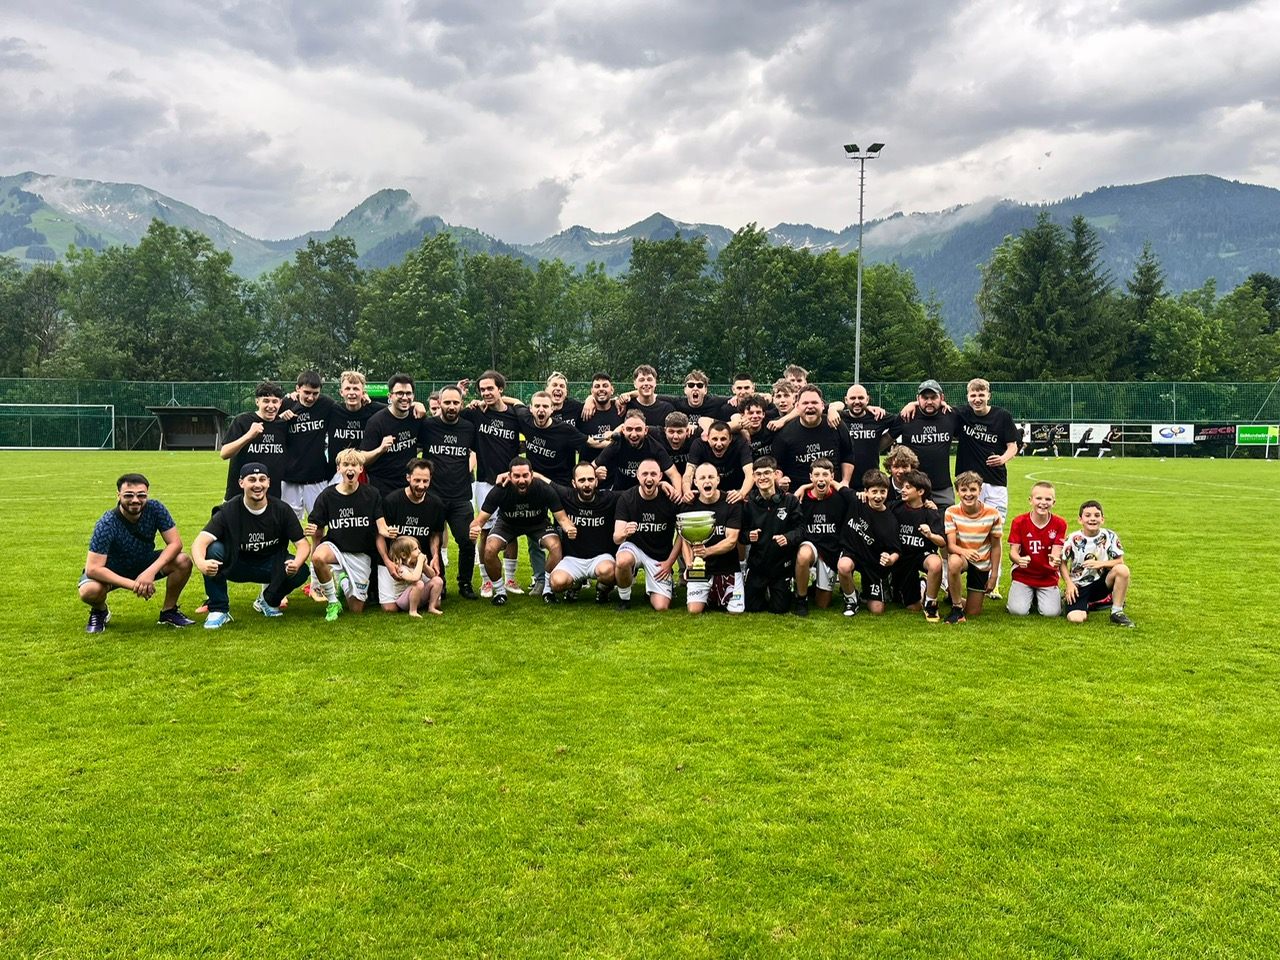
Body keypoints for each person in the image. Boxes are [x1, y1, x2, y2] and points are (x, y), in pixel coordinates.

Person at [191, 462, 311, 629]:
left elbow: (303, 544)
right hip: (236, 564)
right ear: (241, 483)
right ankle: (219, 609)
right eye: (252, 479)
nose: (257, 484)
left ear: (268, 482)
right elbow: (200, 541)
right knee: (213, 550)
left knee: (301, 570)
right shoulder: (229, 510)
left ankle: (268, 601)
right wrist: (201, 564)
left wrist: (296, 563)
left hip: (270, 566)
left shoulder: (282, 510)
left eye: (262, 479)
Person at [79, 472, 195, 632]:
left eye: (141, 495)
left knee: (183, 561)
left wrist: (150, 572)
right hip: (112, 569)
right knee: (89, 591)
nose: (135, 500)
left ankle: (169, 611)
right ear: (118, 495)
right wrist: (135, 585)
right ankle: (99, 611)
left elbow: (175, 543)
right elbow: (93, 568)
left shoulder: (155, 509)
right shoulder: (106, 524)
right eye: (128, 495)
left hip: (144, 562)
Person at [469, 458, 574, 606]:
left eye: (525, 475)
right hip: (507, 524)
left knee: (556, 546)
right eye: (517, 476)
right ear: (510, 476)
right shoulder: (500, 489)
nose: (521, 480)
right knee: (489, 549)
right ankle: (500, 592)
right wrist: (474, 529)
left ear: (532, 475)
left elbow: (562, 518)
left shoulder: (543, 488)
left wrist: (570, 527)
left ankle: (548, 591)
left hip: (538, 524)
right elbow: (479, 520)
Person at [305, 448, 386, 622]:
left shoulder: (371, 494)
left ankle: (343, 581)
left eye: (354, 465)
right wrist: (312, 533)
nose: (350, 468)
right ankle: (333, 602)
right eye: (346, 464)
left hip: (360, 553)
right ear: (339, 469)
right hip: (336, 547)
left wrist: (390, 531)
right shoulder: (328, 495)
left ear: (360, 469)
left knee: (356, 609)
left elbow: (382, 526)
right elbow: (316, 529)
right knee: (319, 557)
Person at [464, 370, 525, 597]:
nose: (486, 393)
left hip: (511, 482)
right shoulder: (477, 413)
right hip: (485, 482)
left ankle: (510, 579)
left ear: (501, 389)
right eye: (482, 390)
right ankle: (486, 581)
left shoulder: (515, 415)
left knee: (511, 530)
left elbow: (521, 404)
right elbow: (449, 412)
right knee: (485, 531)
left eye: (490, 388)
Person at [418, 385, 478, 598]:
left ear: (461, 404)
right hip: (433, 495)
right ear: (439, 403)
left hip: (461, 496)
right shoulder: (427, 426)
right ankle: (439, 583)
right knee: (430, 541)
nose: (451, 407)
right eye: (447, 402)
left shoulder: (469, 427)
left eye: (455, 403)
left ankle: (465, 583)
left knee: (467, 541)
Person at [612, 458, 682, 611]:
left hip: (659, 556)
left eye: (653, 474)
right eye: (644, 474)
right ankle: (625, 598)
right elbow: (616, 538)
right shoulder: (627, 498)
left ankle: (653, 590)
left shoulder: (670, 498)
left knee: (661, 607)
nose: (648, 478)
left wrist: (670, 562)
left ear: (660, 476)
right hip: (634, 548)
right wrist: (624, 532)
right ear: (637, 476)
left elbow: (682, 535)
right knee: (623, 560)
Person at [378, 460, 447, 612]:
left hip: (418, 560)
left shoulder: (436, 504)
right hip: (394, 561)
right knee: (390, 609)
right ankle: (411, 598)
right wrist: (387, 561)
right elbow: (379, 535)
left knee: (437, 602)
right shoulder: (391, 501)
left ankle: (416, 599)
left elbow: (436, 534)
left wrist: (435, 555)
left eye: (425, 481)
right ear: (408, 477)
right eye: (417, 480)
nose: (421, 485)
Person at [549, 462, 621, 602]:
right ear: (574, 483)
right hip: (572, 559)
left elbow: (636, 493)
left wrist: (661, 485)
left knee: (611, 572)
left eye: (590, 479)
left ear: (596, 481)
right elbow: (542, 481)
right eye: (581, 480)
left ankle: (603, 589)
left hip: (600, 558)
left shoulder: (608, 498)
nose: (586, 484)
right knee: (556, 583)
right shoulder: (566, 495)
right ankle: (574, 586)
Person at [835, 469, 902, 617]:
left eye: (882, 492)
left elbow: (896, 550)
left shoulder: (890, 520)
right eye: (874, 491)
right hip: (852, 552)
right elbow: (835, 484)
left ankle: (874, 588)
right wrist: (804, 488)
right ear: (866, 492)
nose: (878, 496)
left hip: (873, 563)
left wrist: (891, 559)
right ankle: (851, 600)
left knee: (877, 610)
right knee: (844, 566)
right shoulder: (856, 500)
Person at [741, 456, 803, 614]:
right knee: (751, 607)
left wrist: (788, 538)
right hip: (758, 566)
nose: (763, 477)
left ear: (776, 475)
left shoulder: (790, 501)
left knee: (779, 609)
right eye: (759, 474)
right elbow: (740, 534)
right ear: (753, 477)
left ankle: (783, 587)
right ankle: (758, 585)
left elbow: (801, 529)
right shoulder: (749, 504)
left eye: (767, 473)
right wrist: (748, 536)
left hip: (781, 567)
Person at [680, 463, 744, 614]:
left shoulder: (731, 503)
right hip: (701, 570)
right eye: (702, 478)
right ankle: (710, 595)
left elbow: (731, 541)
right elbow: (685, 540)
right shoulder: (689, 505)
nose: (707, 481)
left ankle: (725, 589)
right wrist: (690, 565)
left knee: (736, 611)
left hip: (727, 568)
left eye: (711, 477)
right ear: (695, 482)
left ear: (718, 480)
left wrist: (706, 552)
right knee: (694, 610)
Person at [887, 379, 960, 508]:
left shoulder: (951, 415)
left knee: (945, 525)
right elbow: (885, 440)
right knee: (912, 524)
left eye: (934, 397)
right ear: (918, 398)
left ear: (942, 398)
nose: (929, 401)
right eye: (925, 398)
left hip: (941, 487)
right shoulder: (906, 416)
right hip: (913, 487)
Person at [279, 370, 341, 520]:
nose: (310, 397)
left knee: (319, 523)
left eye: (315, 393)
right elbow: (266, 424)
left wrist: (365, 400)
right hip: (289, 477)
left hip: (317, 477)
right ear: (297, 388)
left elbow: (348, 411)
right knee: (285, 524)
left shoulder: (326, 404)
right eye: (306, 392)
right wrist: (280, 418)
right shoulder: (285, 404)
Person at [1062, 500, 1134, 627]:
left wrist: (1101, 564)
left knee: (1123, 570)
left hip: (1101, 581)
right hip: (1079, 586)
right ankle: (1095, 603)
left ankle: (1117, 612)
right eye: (1088, 515)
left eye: (1096, 515)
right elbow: (1062, 562)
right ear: (1080, 519)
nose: (1092, 519)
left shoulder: (1110, 536)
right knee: (1076, 619)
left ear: (1102, 519)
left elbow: (1119, 561)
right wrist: (1068, 584)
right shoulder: (1073, 538)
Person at [943, 471, 1002, 624]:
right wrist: (965, 552)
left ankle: (952, 594)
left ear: (980, 490)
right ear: (957, 492)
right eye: (963, 490)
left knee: (973, 612)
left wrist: (994, 576)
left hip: (981, 562)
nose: (968, 494)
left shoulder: (993, 513)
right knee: (954, 562)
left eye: (973, 490)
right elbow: (951, 546)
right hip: (962, 557)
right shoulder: (951, 512)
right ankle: (956, 607)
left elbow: (996, 546)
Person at [792, 458, 847, 616]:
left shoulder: (841, 497)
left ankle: (812, 580)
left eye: (825, 474)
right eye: (816, 475)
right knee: (803, 556)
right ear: (811, 477)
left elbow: (856, 498)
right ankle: (801, 599)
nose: (820, 479)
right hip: (811, 544)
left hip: (830, 549)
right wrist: (802, 488)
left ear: (832, 476)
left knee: (823, 604)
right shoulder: (803, 498)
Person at [771, 386, 854, 492]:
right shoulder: (785, 433)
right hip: (799, 494)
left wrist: (845, 481)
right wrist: (780, 481)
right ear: (797, 406)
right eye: (805, 403)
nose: (810, 406)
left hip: (832, 492)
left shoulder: (836, 425)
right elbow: (777, 464)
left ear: (823, 406)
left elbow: (848, 454)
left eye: (814, 402)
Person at [891, 470, 946, 621]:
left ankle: (931, 603)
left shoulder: (931, 512)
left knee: (935, 563)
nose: (903, 490)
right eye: (903, 486)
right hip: (902, 559)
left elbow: (942, 542)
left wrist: (930, 535)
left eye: (908, 487)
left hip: (922, 555)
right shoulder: (895, 508)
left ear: (920, 491)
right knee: (913, 607)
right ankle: (922, 586)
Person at [220, 381, 288, 500]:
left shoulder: (283, 425)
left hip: (271, 496)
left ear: (280, 403)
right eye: (266, 401)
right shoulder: (242, 421)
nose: (271, 406)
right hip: (238, 495)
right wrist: (249, 436)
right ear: (257, 401)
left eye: (275, 401)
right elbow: (224, 453)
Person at [1008, 481, 1067, 617]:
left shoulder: (1060, 523)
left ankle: (1049, 596)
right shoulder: (1019, 522)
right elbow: (1013, 552)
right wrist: (1019, 559)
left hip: (1047, 576)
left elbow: (1056, 551)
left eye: (1048, 499)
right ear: (1031, 500)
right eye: (1038, 498)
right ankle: (1028, 596)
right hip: (1023, 575)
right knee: (1017, 611)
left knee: (1051, 613)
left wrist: (1055, 560)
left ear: (1054, 502)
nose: (1043, 502)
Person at [361, 374, 423, 495]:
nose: (404, 397)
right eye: (399, 393)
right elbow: (362, 458)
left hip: (408, 485)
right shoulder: (376, 422)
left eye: (408, 393)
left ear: (413, 396)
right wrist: (380, 449)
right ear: (390, 396)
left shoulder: (416, 416)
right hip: (382, 487)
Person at [594, 409, 682, 494]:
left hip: (647, 493)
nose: (633, 434)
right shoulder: (617, 445)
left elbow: (674, 475)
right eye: (629, 429)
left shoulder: (655, 447)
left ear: (646, 430)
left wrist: (677, 497)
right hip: (621, 493)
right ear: (623, 430)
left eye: (638, 429)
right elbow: (592, 466)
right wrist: (595, 474)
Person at [325, 371, 385, 482]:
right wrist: (292, 396)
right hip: (336, 475)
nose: (351, 393)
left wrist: (415, 405)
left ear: (363, 392)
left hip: (365, 474)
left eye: (356, 389)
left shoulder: (375, 410)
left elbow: (396, 408)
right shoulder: (332, 410)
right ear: (341, 392)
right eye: (347, 389)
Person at [686, 420, 753, 503]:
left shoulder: (740, 443)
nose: (719, 444)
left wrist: (741, 493)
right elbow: (689, 473)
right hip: (707, 494)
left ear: (730, 439)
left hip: (734, 492)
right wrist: (687, 492)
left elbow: (750, 472)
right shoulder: (699, 445)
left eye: (723, 439)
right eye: (714, 439)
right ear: (708, 438)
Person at [383, 535, 442, 617]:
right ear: (404, 555)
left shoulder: (416, 564)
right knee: (419, 583)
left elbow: (432, 575)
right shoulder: (401, 569)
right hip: (404, 601)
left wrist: (424, 565)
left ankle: (432, 607)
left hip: (419, 597)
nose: (419, 551)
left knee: (437, 580)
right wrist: (420, 562)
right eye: (415, 549)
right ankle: (413, 611)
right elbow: (414, 578)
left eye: (418, 548)